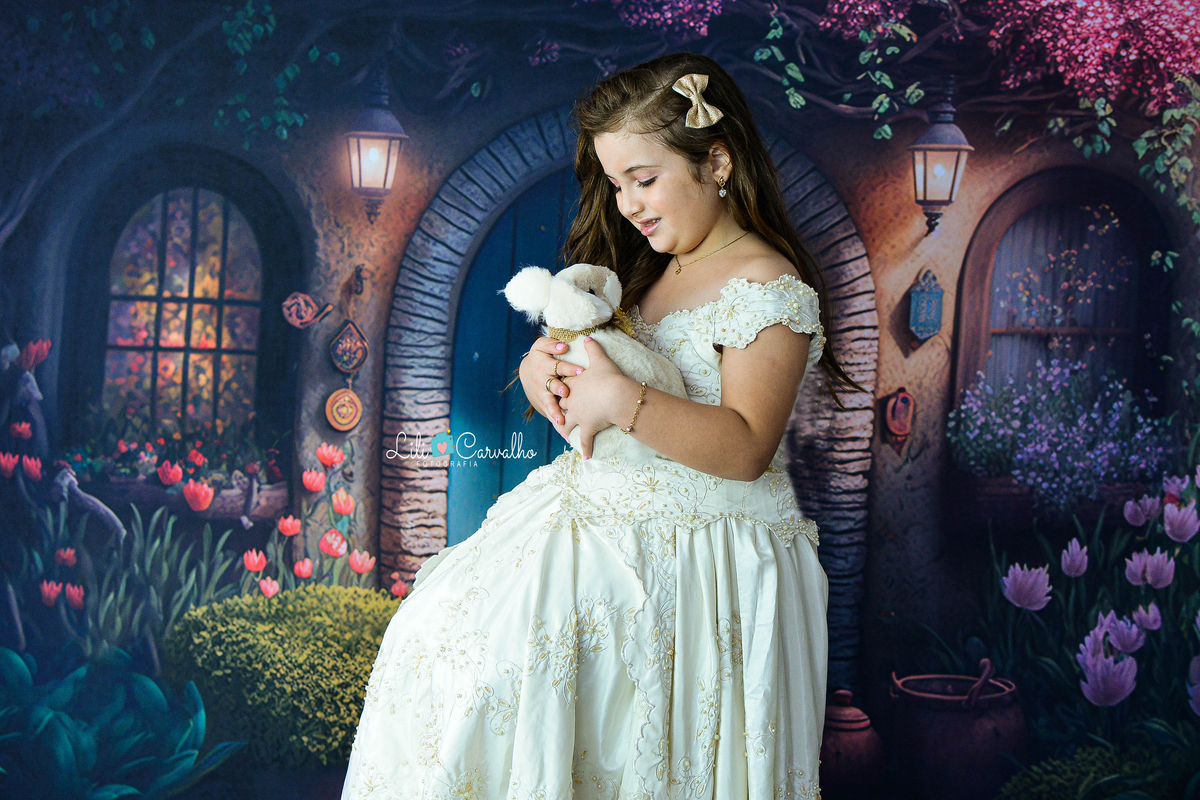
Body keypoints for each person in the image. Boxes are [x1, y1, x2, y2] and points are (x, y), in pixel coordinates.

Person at [341, 52, 866, 800]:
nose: (627, 205)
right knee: (439, 647)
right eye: (616, 184)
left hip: (704, 554)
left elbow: (746, 445)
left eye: (644, 180)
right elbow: (601, 387)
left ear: (716, 160)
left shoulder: (766, 284)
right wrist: (540, 369)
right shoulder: (655, 270)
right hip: (608, 520)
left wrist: (620, 398)